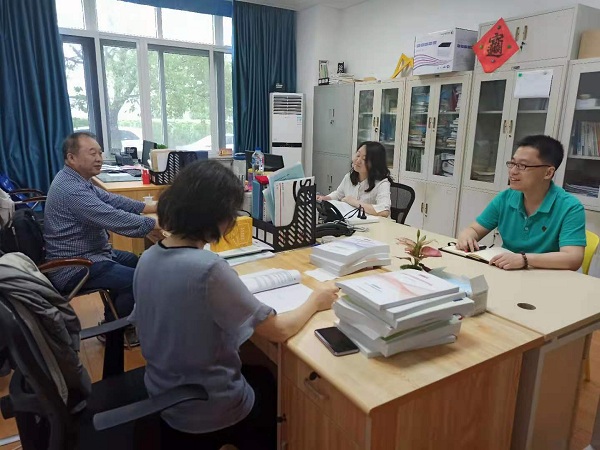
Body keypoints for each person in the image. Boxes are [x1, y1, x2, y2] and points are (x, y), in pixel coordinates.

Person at [130, 160, 339, 450]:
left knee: (256, 362)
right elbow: (279, 330)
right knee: (270, 382)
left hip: (163, 392)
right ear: (218, 217)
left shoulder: (149, 257)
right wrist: (316, 301)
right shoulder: (208, 269)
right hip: (205, 408)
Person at [44, 132, 159, 331]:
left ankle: (113, 317)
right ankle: (115, 332)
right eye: (92, 153)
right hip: (74, 265)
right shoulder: (71, 189)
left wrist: (151, 208)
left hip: (92, 253)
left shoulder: (77, 180)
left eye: (100, 153)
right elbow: (112, 217)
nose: (99, 158)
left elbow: (112, 200)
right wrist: (157, 224)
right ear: (71, 158)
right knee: (138, 280)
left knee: (133, 260)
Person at [456, 135, 586, 271]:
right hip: (507, 272)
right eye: (512, 164)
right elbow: (475, 229)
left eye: (522, 166)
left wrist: (524, 259)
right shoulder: (505, 198)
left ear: (548, 173)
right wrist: (467, 236)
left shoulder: (570, 207)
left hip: (547, 278)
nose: (512, 171)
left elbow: (573, 258)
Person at [316, 141, 392, 217]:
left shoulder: (382, 184)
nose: (358, 161)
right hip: (352, 220)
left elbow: (384, 211)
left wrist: (354, 202)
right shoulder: (349, 176)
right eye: (358, 155)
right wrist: (325, 198)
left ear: (375, 163)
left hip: (374, 223)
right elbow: (338, 194)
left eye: (364, 159)